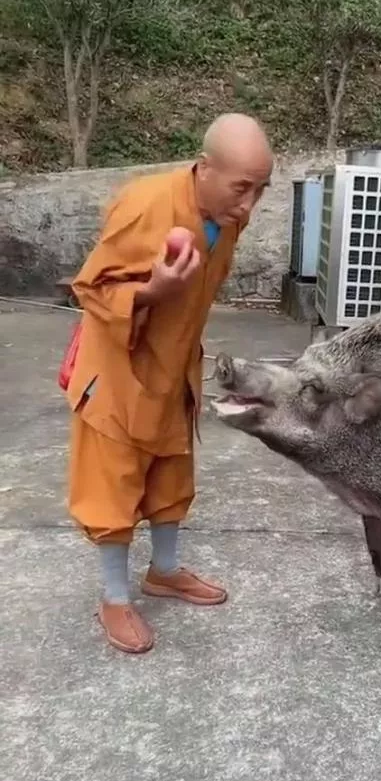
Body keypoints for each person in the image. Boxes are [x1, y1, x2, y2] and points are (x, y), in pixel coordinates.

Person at [63, 113, 273, 654]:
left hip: (174, 364)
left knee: (171, 475)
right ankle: (114, 598)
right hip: (119, 369)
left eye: (261, 190)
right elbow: (92, 289)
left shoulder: (227, 216)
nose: (249, 206)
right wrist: (152, 292)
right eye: (241, 188)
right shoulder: (145, 205)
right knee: (112, 484)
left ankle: (165, 570)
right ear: (205, 169)